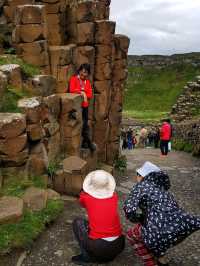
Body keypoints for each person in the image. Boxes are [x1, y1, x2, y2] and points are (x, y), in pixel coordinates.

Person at [124, 161, 200, 266]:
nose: (137, 176)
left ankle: (151, 263)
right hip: (178, 229)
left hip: (156, 232)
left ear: (142, 176)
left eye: (138, 174)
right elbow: (173, 209)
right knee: (156, 233)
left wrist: (139, 218)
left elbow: (129, 210)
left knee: (131, 235)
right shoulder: (164, 191)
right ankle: (161, 257)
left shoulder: (140, 187)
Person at [72, 170, 125, 265]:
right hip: (119, 244)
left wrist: (83, 193)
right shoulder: (114, 196)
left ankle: (87, 256)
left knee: (77, 222)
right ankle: (108, 256)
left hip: (99, 247)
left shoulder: (86, 197)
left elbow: (82, 203)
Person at [68, 64, 96, 152]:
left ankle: (85, 142)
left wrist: (84, 93)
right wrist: (82, 93)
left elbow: (90, 95)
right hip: (76, 108)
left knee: (85, 125)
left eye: (86, 72)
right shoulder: (74, 79)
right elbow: (71, 90)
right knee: (82, 125)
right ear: (79, 71)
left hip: (85, 107)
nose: (84, 74)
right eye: (83, 71)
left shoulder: (87, 82)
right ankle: (89, 143)